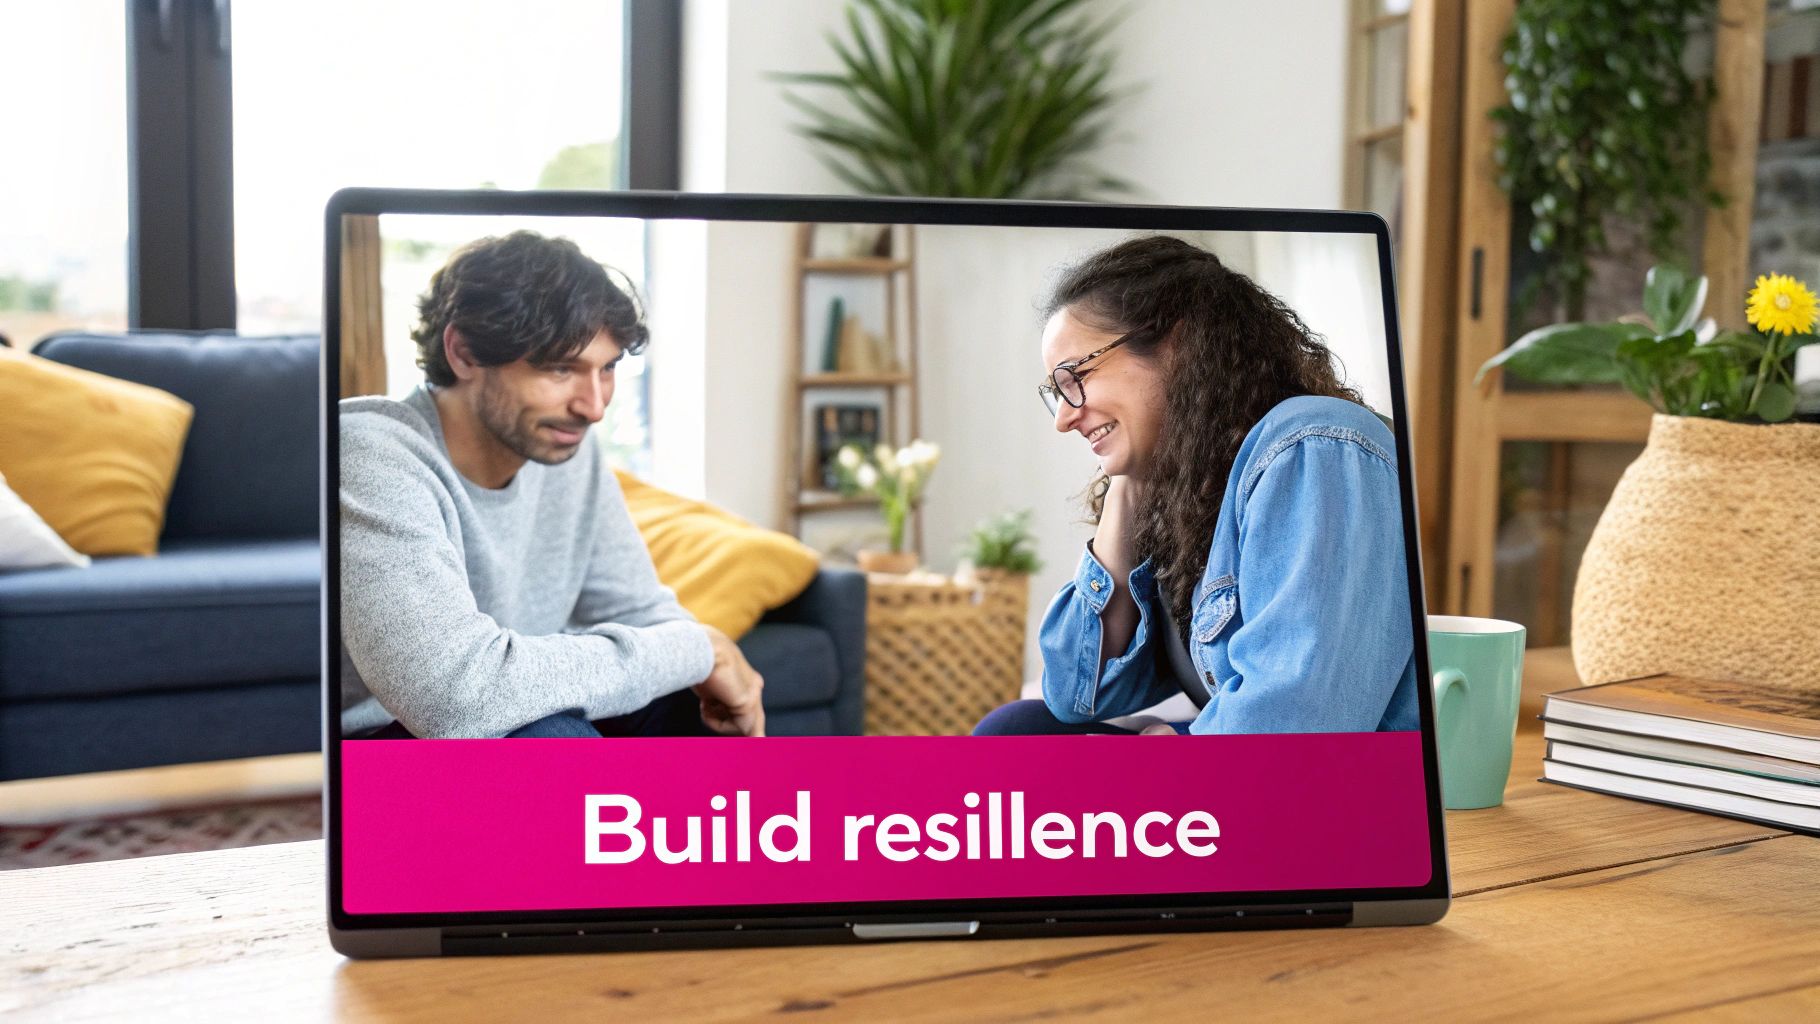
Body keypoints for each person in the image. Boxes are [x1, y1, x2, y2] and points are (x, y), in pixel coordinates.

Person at [974, 235, 1417, 737]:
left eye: (1075, 376)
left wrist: (1176, 760)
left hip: (1308, 789)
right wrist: (1125, 486)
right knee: (1019, 728)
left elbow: (1297, 728)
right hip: (1232, 759)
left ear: (1178, 345)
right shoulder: (1185, 482)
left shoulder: (1315, 445)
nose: (1065, 417)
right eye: (1057, 393)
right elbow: (1076, 694)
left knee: (1012, 741)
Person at [339, 230, 765, 739]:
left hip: (517, 704)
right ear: (465, 351)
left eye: (606, 369)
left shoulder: (562, 445)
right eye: (561, 369)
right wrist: (698, 647)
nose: (594, 406)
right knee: (551, 739)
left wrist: (700, 662)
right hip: (393, 741)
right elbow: (455, 697)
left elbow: (638, 612)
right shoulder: (370, 453)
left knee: (698, 702)